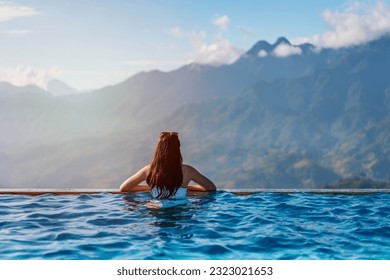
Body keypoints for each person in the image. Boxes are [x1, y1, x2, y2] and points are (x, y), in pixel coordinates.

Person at [119, 132, 216, 199]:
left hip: (156, 214)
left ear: (158, 149)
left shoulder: (149, 170)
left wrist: (151, 188)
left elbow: (124, 188)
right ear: (177, 149)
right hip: (180, 214)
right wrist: (185, 188)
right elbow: (211, 188)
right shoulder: (187, 170)